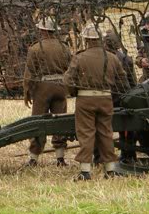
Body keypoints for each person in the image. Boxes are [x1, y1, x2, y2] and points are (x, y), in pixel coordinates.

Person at [64, 23, 128, 180]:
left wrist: (74, 93)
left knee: (86, 134)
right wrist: (112, 93)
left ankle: (85, 171)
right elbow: (123, 81)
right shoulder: (112, 58)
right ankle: (110, 170)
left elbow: (68, 80)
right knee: (106, 133)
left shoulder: (79, 57)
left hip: (85, 100)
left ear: (86, 39)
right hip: (106, 99)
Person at [23, 17, 71, 167]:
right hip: (61, 86)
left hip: (43, 87)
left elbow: (29, 73)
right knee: (60, 121)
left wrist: (27, 92)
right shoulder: (64, 47)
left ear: (42, 30)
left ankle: (33, 158)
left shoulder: (35, 48)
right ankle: (60, 158)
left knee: (38, 122)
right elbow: (71, 67)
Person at [103, 30, 137, 163]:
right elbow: (132, 81)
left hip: (107, 97)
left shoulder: (104, 57)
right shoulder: (126, 59)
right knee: (126, 129)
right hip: (123, 97)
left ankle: (101, 155)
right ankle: (128, 155)